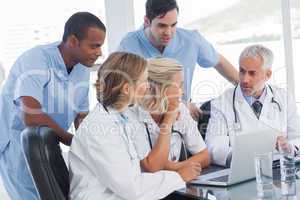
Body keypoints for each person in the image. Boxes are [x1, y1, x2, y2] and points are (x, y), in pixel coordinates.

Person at [0, 12, 106, 199]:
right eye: (94, 46)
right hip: (17, 144)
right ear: (73, 41)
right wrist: (73, 141)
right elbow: (31, 116)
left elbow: (81, 117)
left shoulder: (82, 69)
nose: (99, 53)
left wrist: (92, 146)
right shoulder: (36, 60)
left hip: (50, 144)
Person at [69, 52, 201, 200]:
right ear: (127, 89)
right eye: (144, 82)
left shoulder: (121, 117)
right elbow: (132, 188)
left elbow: (140, 172)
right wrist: (178, 177)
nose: (148, 88)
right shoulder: (100, 128)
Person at [118, 0, 239, 120]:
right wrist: (182, 106)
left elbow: (219, 62)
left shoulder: (191, 40)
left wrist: (248, 89)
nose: (168, 32)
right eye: (162, 25)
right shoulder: (128, 44)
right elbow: (121, 91)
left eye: (173, 25)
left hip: (181, 118)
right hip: (142, 118)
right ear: (146, 21)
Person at [205, 45, 300, 166]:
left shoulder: (284, 98)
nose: (244, 79)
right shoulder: (221, 103)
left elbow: (297, 136)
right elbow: (214, 146)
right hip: (241, 170)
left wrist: (290, 147)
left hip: (280, 168)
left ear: (268, 75)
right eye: (242, 71)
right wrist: (239, 158)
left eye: (252, 73)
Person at [128, 57, 210, 173]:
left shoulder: (180, 108)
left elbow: (205, 156)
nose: (182, 92)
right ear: (159, 89)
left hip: (174, 184)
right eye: (179, 86)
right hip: (147, 188)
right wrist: (168, 120)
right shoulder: (131, 117)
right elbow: (152, 166)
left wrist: (178, 167)